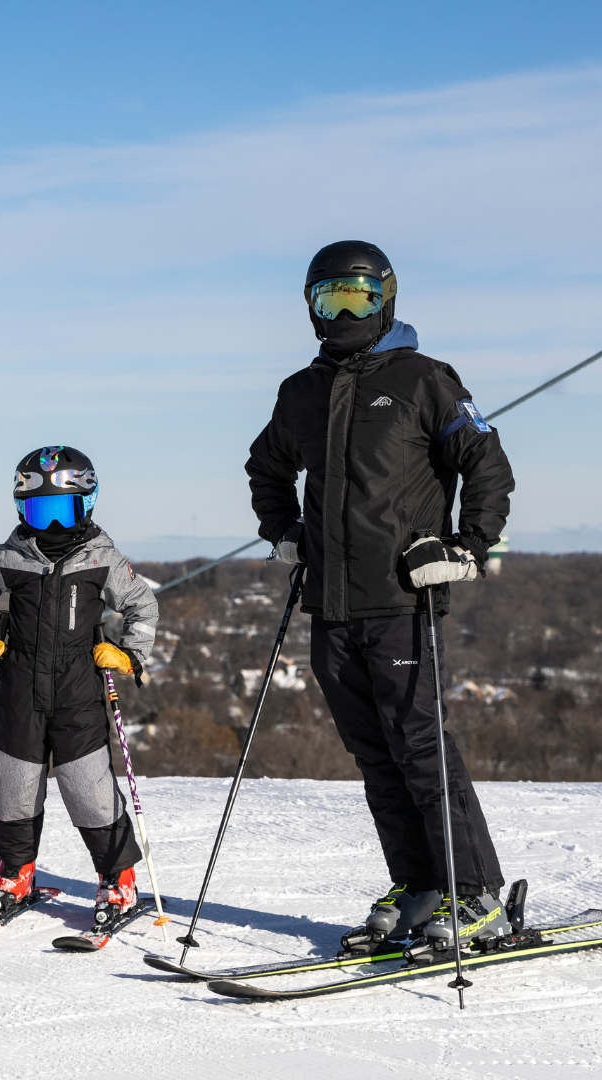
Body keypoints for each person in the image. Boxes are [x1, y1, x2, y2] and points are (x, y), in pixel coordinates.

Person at [245, 241, 517, 962]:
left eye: (358, 298)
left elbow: (486, 462)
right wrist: (284, 533)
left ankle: (477, 894)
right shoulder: (300, 391)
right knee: (376, 756)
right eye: (328, 298)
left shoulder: (424, 379)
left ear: (387, 300)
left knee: (421, 749)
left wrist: (466, 545)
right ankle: (420, 884)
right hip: (331, 605)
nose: (343, 311)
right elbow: (265, 465)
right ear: (310, 308)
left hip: (402, 596)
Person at [0, 446, 158, 922]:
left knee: (87, 786)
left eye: (58, 511)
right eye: (37, 511)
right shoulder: (9, 558)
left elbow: (142, 606)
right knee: (12, 785)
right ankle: (16, 870)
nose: (48, 526)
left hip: (77, 691)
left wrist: (129, 655)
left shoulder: (103, 559)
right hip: (18, 689)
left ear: (84, 504)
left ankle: (118, 878)